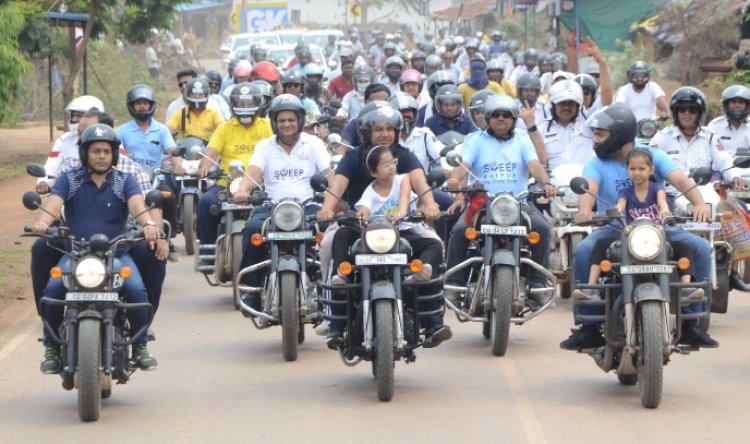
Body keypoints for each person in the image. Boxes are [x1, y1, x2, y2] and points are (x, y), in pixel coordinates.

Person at [560, 104, 718, 350]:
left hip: (657, 227)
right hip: (615, 228)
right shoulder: (596, 162)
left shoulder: (652, 155)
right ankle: (588, 326)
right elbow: (589, 188)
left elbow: (679, 179)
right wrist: (584, 211)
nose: (596, 139)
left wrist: (700, 204)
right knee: (583, 250)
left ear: (619, 135)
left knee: (698, 247)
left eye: (601, 134)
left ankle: (691, 324)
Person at [33, 109, 168, 349]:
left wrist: (148, 224)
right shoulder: (69, 178)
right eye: (96, 151)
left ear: (114, 154)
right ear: (85, 153)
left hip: (115, 255)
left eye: (107, 151)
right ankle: (51, 347)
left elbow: (137, 205)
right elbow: (53, 204)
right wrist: (43, 222)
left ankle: (140, 345)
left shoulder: (124, 180)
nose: (102, 156)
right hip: (74, 254)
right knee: (52, 291)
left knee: (137, 291)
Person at [316, 105, 448, 348]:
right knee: (329, 243)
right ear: (366, 133)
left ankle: (433, 321)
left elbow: (419, 180)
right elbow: (337, 186)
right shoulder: (353, 156)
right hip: (359, 225)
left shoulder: (405, 156)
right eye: (378, 129)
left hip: (402, 226)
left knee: (435, 244)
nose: (385, 134)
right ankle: (334, 319)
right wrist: (327, 209)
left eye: (390, 129)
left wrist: (430, 206)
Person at [444, 95, 557, 305]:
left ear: (514, 119)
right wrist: (454, 180)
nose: (500, 119)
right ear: (487, 118)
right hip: (483, 204)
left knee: (542, 227)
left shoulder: (522, 138)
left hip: (519, 203)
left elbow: (534, 166)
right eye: (495, 115)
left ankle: (538, 283)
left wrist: (547, 183)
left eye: (506, 115)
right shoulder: (474, 140)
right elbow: (463, 166)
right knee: (460, 230)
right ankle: (455, 283)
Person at [233, 94, 332, 308]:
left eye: (291, 120)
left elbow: (328, 173)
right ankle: (251, 290)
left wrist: (337, 193)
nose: (286, 124)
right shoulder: (265, 146)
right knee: (252, 229)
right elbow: (253, 172)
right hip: (272, 207)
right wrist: (242, 189)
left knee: (330, 230)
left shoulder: (313, 143)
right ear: (274, 123)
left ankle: (331, 287)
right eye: (282, 120)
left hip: (308, 205)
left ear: (300, 121)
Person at [572, 148, 704, 303]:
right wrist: (612, 212)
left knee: (685, 247)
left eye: (642, 169)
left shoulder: (657, 189)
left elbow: (662, 202)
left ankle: (685, 289)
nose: (637, 172)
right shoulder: (625, 192)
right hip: (631, 236)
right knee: (600, 245)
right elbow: (620, 205)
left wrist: (665, 211)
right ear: (627, 170)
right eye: (632, 168)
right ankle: (592, 287)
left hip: (657, 235)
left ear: (651, 170)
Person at [196, 83, 273, 255]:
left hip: (260, 185)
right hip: (227, 184)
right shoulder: (224, 128)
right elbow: (212, 153)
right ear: (233, 105)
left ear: (258, 103)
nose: (245, 108)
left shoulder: (268, 126)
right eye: (241, 104)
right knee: (205, 203)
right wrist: (204, 168)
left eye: (249, 103)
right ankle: (207, 252)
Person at [119, 84, 182, 262]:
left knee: (169, 197)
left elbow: (172, 150)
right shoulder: (123, 130)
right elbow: (116, 153)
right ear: (131, 105)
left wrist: (178, 164)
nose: (142, 106)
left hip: (156, 178)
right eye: (138, 103)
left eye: (145, 103)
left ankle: (167, 238)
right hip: (129, 179)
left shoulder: (161, 129)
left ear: (151, 105)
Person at [36, 95, 105, 193]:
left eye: (79, 115)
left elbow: (125, 167)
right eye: (74, 115)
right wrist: (44, 181)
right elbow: (51, 165)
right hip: (69, 198)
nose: (75, 119)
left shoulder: (111, 139)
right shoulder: (64, 140)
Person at [540, 80, 593, 170]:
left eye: (571, 104)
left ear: (577, 106)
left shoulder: (589, 123)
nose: (566, 107)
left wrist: (602, 66)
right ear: (553, 105)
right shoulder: (541, 130)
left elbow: (606, 102)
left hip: (585, 180)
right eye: (562, 103)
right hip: (552, 182)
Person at [707, 84, 750, 156]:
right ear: (727, 104)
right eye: (733, 102)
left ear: (747, 105)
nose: (737, 105)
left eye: (741, 102)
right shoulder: (715, 126)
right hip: (722, 166)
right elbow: (707, 152)